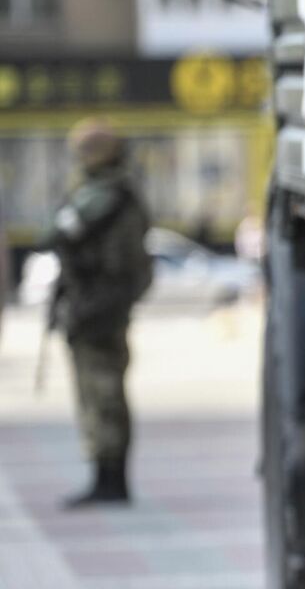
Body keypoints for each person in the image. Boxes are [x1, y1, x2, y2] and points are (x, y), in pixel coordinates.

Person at [50, 118, 153, 508]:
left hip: (101, 309)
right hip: (89, 307)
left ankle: (111, 479)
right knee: (93, 397)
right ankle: (103, 475)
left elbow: (69, 235)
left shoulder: (111, 195)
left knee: (104, 395)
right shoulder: (96, 192)